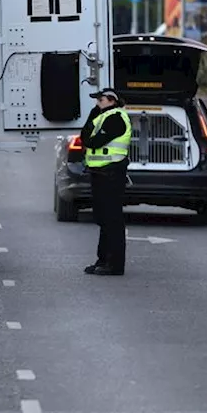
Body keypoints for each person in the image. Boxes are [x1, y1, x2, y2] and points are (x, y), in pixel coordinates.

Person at [81, 88, 132, 276]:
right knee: (103, 219)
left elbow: (92, 141)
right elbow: (86, 137)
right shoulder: (104, 116)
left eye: (100, 100)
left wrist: (91, 121)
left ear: (111, 100)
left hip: (111, 172)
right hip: (100, 172)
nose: (97, 104)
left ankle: (115, 263)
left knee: (112, 219)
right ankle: (103, 259)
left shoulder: (115, 118)